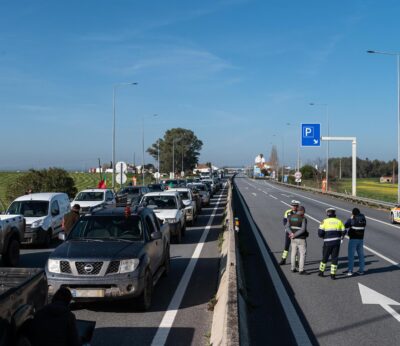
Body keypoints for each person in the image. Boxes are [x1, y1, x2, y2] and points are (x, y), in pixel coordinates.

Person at [318, 208, 345, 280]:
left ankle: (321, 272)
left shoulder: (324, 221)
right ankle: (333, 275)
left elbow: (320, 233)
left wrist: (324, 236)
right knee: (335, 258)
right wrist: (341, 237)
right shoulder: (339, 221)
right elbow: (344, 231)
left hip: (327, 242)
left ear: (327, 214)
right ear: (335, 214)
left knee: (325, 257)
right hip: (336, 243)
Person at [287, 206, 309, 274]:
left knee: (293, 253)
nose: (304, 213)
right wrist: (295, 234)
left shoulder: (290, 217)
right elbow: (303, 229)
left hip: (293, 239)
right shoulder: (303, 218)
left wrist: (291, 234)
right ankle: (301, 270)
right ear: (302, 211)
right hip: (301, 239)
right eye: (304, 211)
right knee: (302, 254)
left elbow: (287, 227)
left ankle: (292, 268)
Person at [344, 208, 367, 276]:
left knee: (351, 256)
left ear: (353, 213)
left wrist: (350, 218)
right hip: (361, 239)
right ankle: (361, 270)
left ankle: (350, 271)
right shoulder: (363, 218)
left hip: (353, 239)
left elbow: (346, 225)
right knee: (361, 255)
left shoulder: (353, 219)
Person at [279, 200, 300, 265]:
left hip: (296, 233)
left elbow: (300, 223)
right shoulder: (287, 212)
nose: (293, 207)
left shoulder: (300, 213)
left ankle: (296, 261)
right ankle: (283, 259)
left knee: (295, 247)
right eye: (292, 205)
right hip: (288, 232)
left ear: (297, 206)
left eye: (295, 206)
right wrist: (289, 229)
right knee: (286, 246)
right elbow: (284, 221)